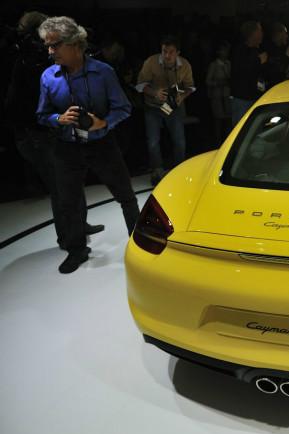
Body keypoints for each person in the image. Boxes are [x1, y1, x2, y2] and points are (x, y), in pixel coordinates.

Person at [36, 16, 139, 273]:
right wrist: (58, 119)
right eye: (47, 46)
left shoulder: (103, 72)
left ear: (74, 43)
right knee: (68, 202)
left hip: (102, 143)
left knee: (126, 196)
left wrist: (102, 123)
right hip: (66, 147)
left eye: (55, 45)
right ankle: (77, 250)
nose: (50, 51)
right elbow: (41, 115)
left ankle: (140, 245)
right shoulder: (48, 76)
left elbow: (124, 108)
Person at [5, 11, 105, 249]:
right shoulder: (28, 62)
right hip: (38, 135)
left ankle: (79, 226)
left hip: (48, 131)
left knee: (73, 178)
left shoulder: (42, 60)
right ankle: (69, 238)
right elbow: (20, 105)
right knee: (61, 187)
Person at [136, 35, 196, 185]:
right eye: (164, 51)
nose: (167, 55)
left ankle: (179, 170)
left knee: (179, 141)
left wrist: (182, 96)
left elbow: (190, 86)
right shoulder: (151, 62)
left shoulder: (184, 65)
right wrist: (154, 92)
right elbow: (140, 85)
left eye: (171, 52)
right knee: (153, 142)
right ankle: (157, 171)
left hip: (173, 107)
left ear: (178, 52)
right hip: (152, 107)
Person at [230, 21, 268, 126]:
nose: (262, 33)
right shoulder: (240, 51)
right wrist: (259, 61)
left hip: (256, 97)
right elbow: (242, 71)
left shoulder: (258, 50)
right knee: (241, 127)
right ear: (254, 33)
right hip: (243, 98)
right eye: (260, 30)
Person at [206, 41, 232, 144]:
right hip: (217, 96)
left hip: (227, 95)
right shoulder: (214, 65)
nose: (225, 52)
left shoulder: (229, 63)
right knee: (218, 120)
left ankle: (228, 141)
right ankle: (217, 142)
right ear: (219, 52)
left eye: (227, 50)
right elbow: (207, 81)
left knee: (228, 119)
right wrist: (218, 83)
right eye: (223, 50)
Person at [263, 23, 289, 89]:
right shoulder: (268, 49)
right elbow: (273, 72)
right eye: (285, 33)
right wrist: (286, 56)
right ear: (279, 34)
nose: (287, 36)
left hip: (285, 85)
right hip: (272, 87)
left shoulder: (285, 47)